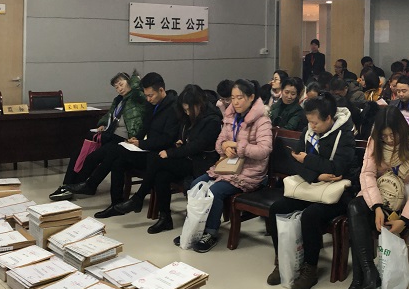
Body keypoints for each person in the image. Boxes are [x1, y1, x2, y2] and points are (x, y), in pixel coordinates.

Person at [335, 106, 409, 289]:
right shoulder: (374, 142)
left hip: (401, 203)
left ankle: (359, 284)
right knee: (355, 207)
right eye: (384, 136)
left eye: (393, 135)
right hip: (377, 196)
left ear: (402, 129)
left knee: (357, 220)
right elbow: (367, 174)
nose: (389, 140)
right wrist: (376, 206)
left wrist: (405, 220)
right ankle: (368, 274)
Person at [267, 93, 358, 289]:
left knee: (310, 216)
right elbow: (295, 161)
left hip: (337, 193)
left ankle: (310, 269)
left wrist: (307, 160)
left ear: (329, 118)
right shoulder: (308, 131)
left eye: (315, 122)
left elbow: (337, 168)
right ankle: (282, 261)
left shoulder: (345, 135)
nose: (312, 126)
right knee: (277, 209)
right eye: (309, 121)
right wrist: (317, 175)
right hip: (311, 186)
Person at [178, 79, 273, 252]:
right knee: (196, 184)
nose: (235, 102)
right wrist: (224, 147)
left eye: (240, 98)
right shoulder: (230, 117)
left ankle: (210, 232)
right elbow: (219, 142)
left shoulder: (262, 121)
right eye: (233, 98)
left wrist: (237, 146)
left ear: (251, 97)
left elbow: (264, 150)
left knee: (215, 191)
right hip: (227, 167)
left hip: (249, 173)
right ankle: (195, 228)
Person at [113, 85, 222, 233]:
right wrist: (181, 141)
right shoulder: (189, 116)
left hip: (201, 163)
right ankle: (165, 218)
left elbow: (197, 146)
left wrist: (170, 153)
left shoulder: (212, 120)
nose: (187, 113)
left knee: (157, 160)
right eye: (185, 110)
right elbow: (187, 138)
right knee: (161, 175)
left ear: (199, 104)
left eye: (189, 109)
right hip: (187, 158)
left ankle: (138, 198)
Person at [81, 72, 179, 217]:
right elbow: (145, 127)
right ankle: (116, 204)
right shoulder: (152, 104)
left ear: (161, 90)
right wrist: (136, 138)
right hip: (148, 150)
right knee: (118, 161)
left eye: (150, 95)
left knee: (115, 150)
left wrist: (142, 143)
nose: (148, 99)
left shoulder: (173, 108)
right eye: (146, 95)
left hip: (159, 155)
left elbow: (168, 139)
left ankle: (91, 184)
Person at [50, 71, 148, 201]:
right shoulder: (119, 100)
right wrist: (102, 123)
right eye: (116, 87)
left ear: (129, 82)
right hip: (110, 135)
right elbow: (109, 115)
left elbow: (138, 89)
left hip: (125, 139)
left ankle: (78, 186)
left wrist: (134, 79)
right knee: (78, 153)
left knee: (93, 157)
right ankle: (67, 186)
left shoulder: (137, 98)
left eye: (121, 84)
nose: (119, 89)